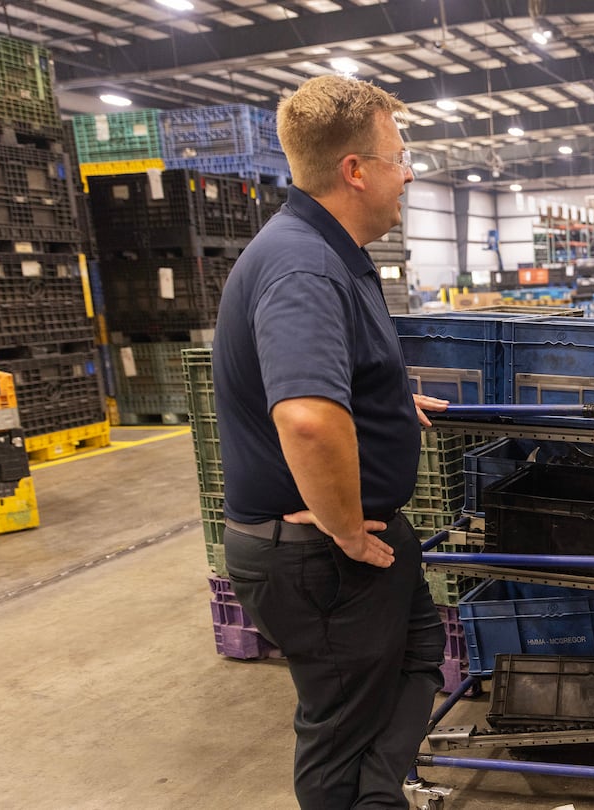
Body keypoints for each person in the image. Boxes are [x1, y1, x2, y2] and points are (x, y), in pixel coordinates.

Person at [213, 74, 450, 809]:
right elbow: (308, 419)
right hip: (325, 557)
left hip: (348, 550)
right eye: (398, 156)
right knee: (342, 731)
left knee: (415, 661)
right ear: (354, 170)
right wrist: (346, 529)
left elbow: (324, 383)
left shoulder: (327, 251)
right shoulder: (304, 264)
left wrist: (379, 398)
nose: (407, 172)